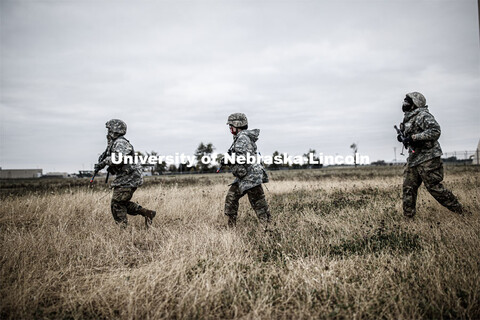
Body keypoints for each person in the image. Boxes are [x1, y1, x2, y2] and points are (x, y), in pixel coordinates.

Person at [397, 92, 464, 218]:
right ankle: (408, 218)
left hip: (428, 158)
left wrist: (413, 138)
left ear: (415, 103)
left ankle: (460, 211)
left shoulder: (423, 115)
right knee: (408, 188)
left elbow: (435, 131)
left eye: (408, 101)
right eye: (404, 101)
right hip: (414, 158)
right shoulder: (409, 117)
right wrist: (404, 139)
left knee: (434, 188)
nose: (404, 103)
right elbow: (411, 136)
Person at [94, 119, 156, 227]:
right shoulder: (115, 143)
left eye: (109, 129)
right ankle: (147, 213)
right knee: (121, 202)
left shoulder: (120, 142)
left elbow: (118, 158)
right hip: (127, 177)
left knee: (117, 204)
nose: (108, 132)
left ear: (115, 130)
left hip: (129, 177)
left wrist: (103, 163)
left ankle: (122, 229)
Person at [223, 113, 271, 228]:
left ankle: (269, 229)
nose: (230, 129)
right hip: (244, 176)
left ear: (237, 125)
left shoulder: (242, 138)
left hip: (251, 177)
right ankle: (231, 228)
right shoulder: (240, 137)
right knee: (231, 199)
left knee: (259, 206)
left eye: (231, 126)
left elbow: (243, 157)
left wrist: (228, 160)